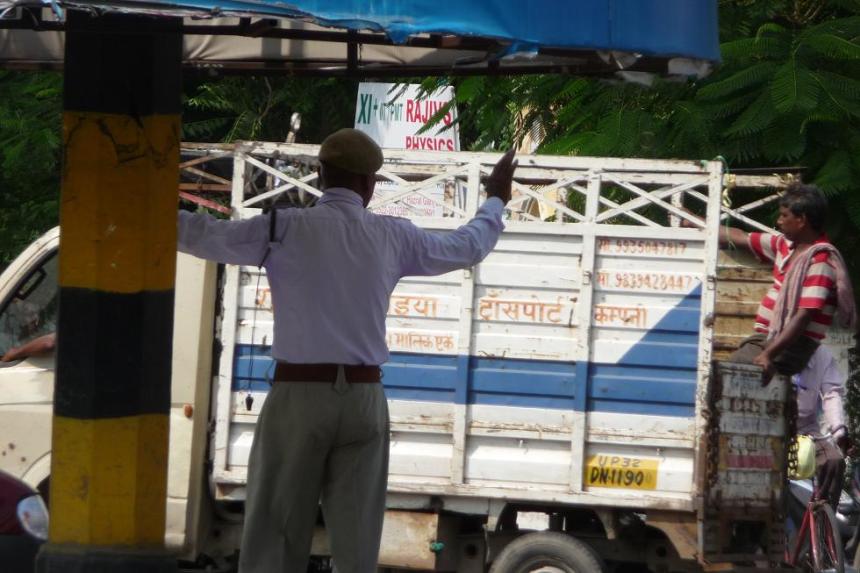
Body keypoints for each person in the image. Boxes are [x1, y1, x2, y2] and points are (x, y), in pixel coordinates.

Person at [177, 128, 517, 573]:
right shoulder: (393, 236)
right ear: (369, 184)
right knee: (357, 548)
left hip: (299, 397)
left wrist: (141, 200)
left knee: (275, 539)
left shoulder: (283, 228)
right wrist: (495, 199)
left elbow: (202, 235)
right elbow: (467, 247)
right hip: (363, 398)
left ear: (321, 174)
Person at [708, 183, 856, 380]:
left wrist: (768, 355)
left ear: (801, 220)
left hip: (792, 345)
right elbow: (741, 237)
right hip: (768, 339)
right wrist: (698, 225)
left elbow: (804, 316)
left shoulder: (821, 261)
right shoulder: (785, 246)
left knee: (731, 371)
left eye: (784, 216)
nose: (779, 221)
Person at [793, 344, 850, 508]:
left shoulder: (822, 354)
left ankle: (823, 513)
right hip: (774, 429)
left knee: (835, 462)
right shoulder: (773, 348)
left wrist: (839, 430)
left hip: (806, 430)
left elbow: (832, 393)